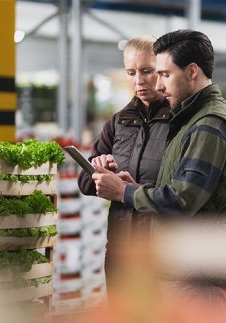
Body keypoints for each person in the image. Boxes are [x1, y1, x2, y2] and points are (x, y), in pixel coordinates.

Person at [91, 30, 226, 308]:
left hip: (197, 273)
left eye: (162, 74)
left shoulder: (209, 123)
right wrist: (137, 189)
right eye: (132, 72)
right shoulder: (185, 120)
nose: (157, 85)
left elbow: (183, 199)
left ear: (192, 72)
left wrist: (126, 193)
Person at [78, 36, 172, 287]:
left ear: (163, 70)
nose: (138, 81)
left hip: (162, 254)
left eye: (147, 71)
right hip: (120, 251)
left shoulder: (181, 120)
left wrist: (132, 190)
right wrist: (99, 170)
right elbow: (85, 183)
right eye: (131, 72)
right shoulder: (119, 122)